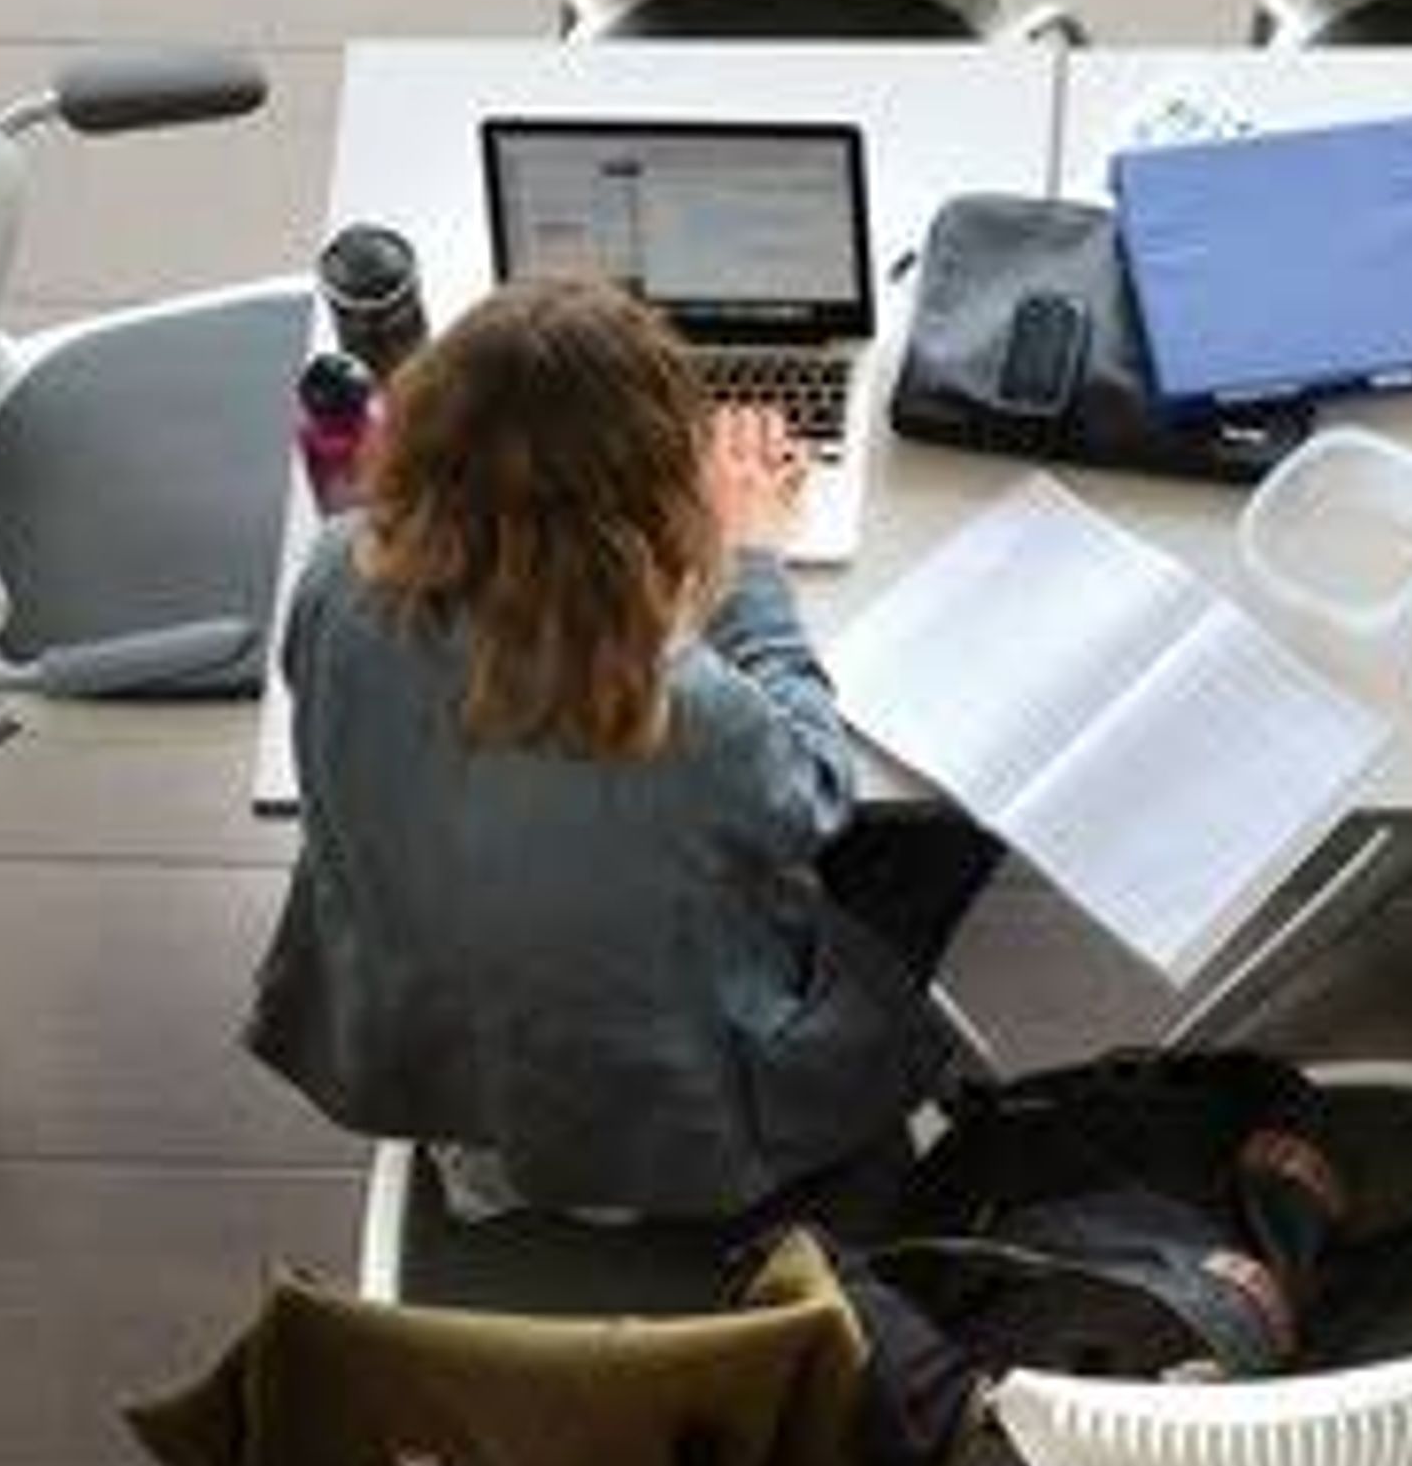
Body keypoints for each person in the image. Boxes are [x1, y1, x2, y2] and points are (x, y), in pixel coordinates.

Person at [247, 276, 1001, 1229]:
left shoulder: (335, 568)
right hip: (668, 1107)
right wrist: (752, 562)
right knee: (951, 830)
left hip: (425, 1046)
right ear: (652, 483)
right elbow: (812, 798)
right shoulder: (671, 703)